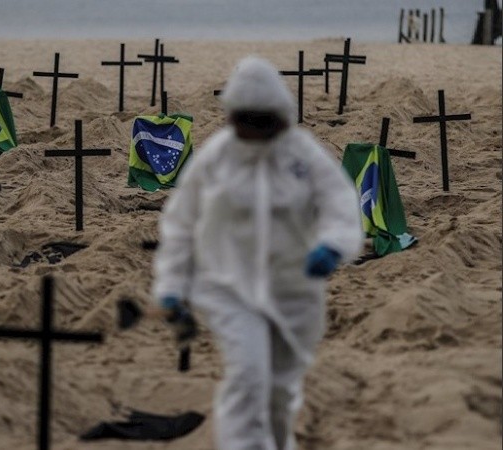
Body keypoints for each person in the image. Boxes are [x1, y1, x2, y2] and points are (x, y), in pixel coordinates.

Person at [152, 56, 363, 450]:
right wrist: (171, 285)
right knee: (248, 375)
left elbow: (339, 202)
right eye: (247, 120)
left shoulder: (303, 155)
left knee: (280, 389)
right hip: (228, 285)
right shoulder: (217, 157)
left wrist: (334, 244)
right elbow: (181, 222)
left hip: (293, 288)